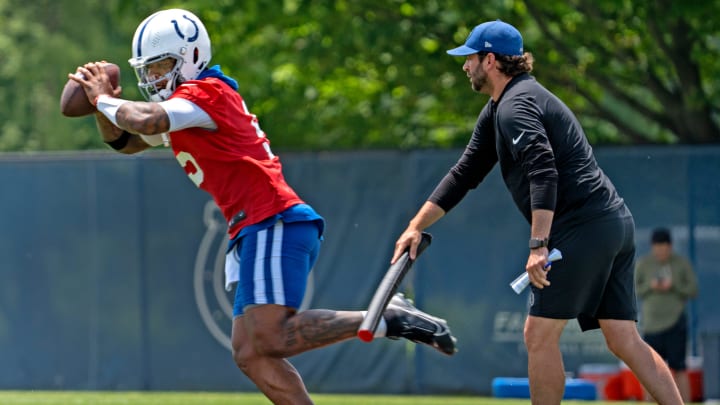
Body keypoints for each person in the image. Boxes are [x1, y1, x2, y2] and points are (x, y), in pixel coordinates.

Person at [69, 8, 456, 404]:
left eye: (162, 66)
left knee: (271, 335)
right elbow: (126, 142)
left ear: (191, 56)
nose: (153, 79)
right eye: (147, 71)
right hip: (256, 225)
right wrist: (104, 107)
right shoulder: (188, 108)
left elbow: (147, 122)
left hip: (272, 218)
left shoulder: (207, 93)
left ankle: (389, 316)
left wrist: (101, 98)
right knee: (252, 354)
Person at [391, 20, 683, 404]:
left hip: (582, 228)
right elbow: (464, 174)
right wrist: (415, 226)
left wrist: (538, 244)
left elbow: (543, 169)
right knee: (623, 338)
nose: (465, 66)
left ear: (490, 60)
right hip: (613, 223)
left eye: (470, 58)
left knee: (538, 335)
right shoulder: (501, 108)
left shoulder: (515, 106)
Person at [636, 227, 698, 402]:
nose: (661, 252)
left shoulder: (681, 263)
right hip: (651, 325)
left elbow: (693, 290)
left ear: (670, 247)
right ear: (652, 247)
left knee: (679, 368)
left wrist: (674, 285)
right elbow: (635, 290)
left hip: (675, 323)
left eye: (664, 248)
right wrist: (651, 286)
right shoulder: (644, 264)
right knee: (650, 371)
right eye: (657, 248)